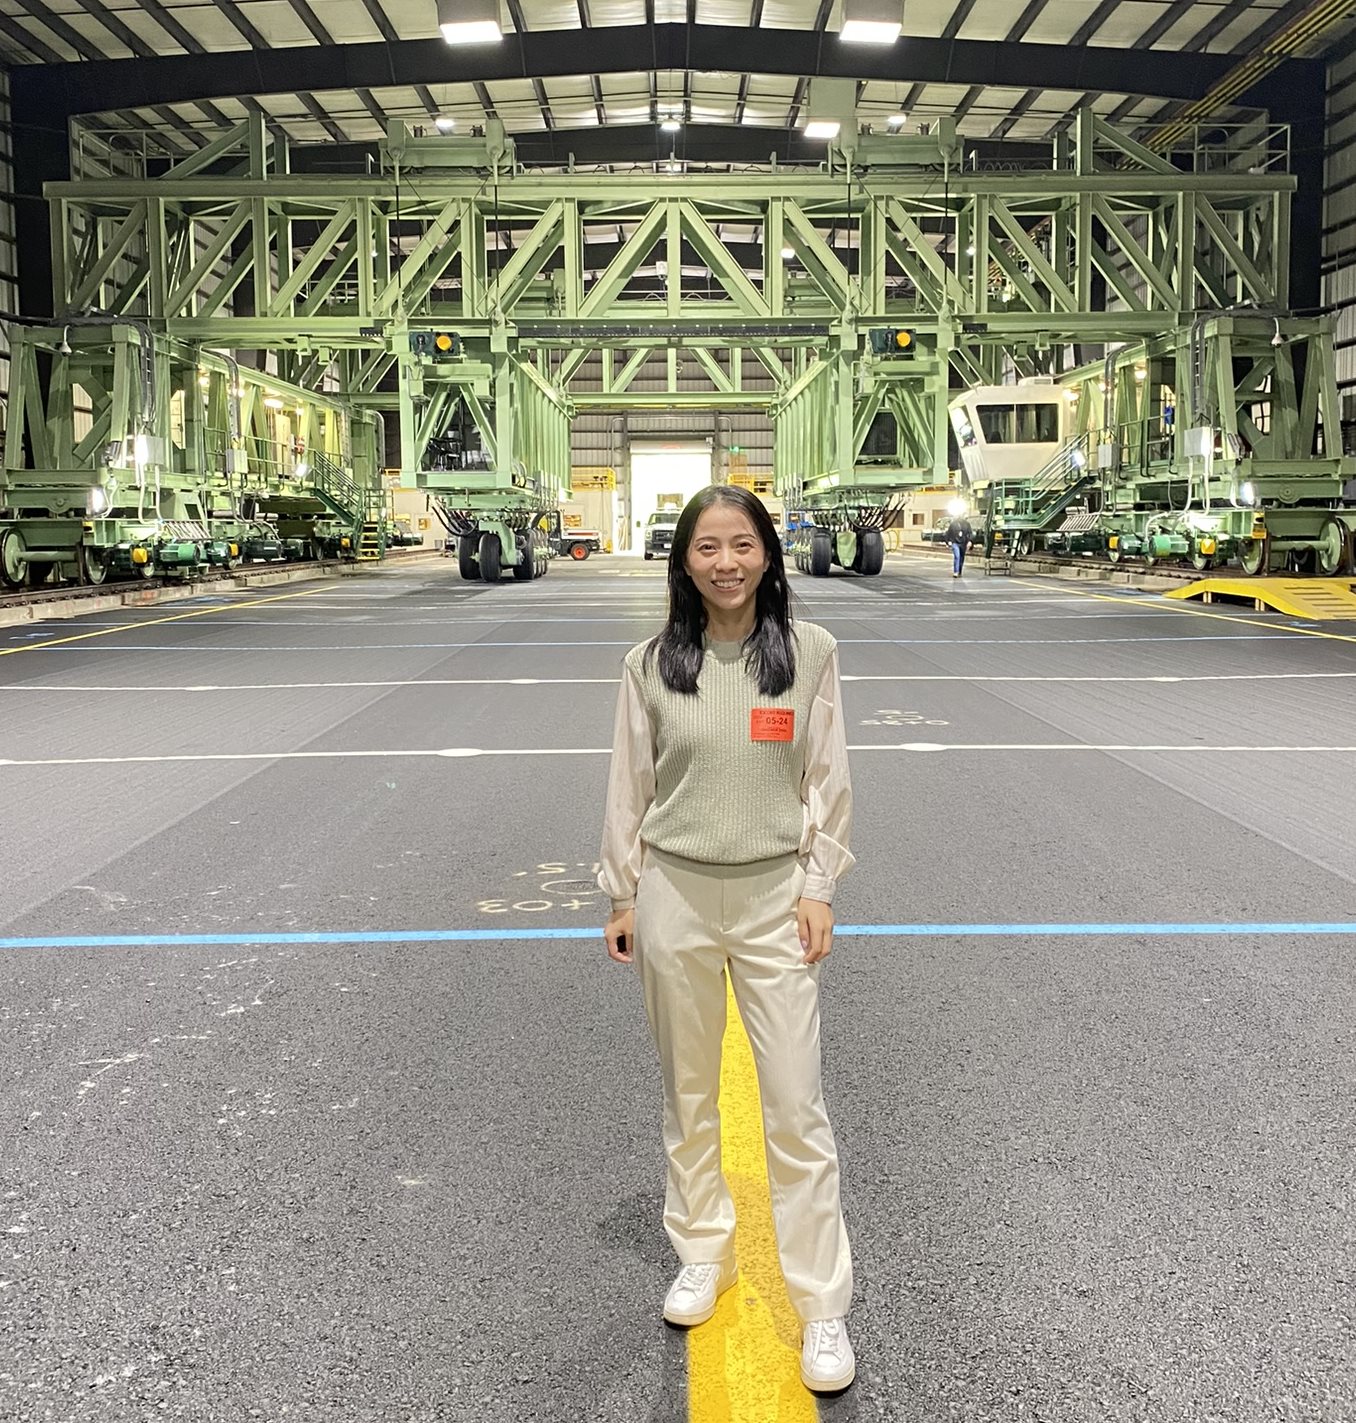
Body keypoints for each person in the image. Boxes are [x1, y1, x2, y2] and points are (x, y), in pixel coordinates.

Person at [599, 484, 857, 1395]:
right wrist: (623, 893)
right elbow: (630, 787)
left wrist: (820, 884)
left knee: (794, 1104)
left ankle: (822, 1307)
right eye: (706, 547)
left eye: (741, 544)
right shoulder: (650, 664)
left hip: (773, 894)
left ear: (768, 554)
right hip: (674, 889)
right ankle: (702, 1249)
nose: (726, 564)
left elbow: (827, 779)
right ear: (684, 562)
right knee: (690, 1091)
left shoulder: (811, 654)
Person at [945, 512, 973, 577]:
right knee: (957, 556)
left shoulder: (967, 524)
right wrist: (948, 541)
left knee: (961, 557)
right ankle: (956, 571)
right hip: (955, 542)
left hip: (963, 543)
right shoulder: (953, 524)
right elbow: (948, 533)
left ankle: (959, 570)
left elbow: (970, 533)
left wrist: (970, 541)